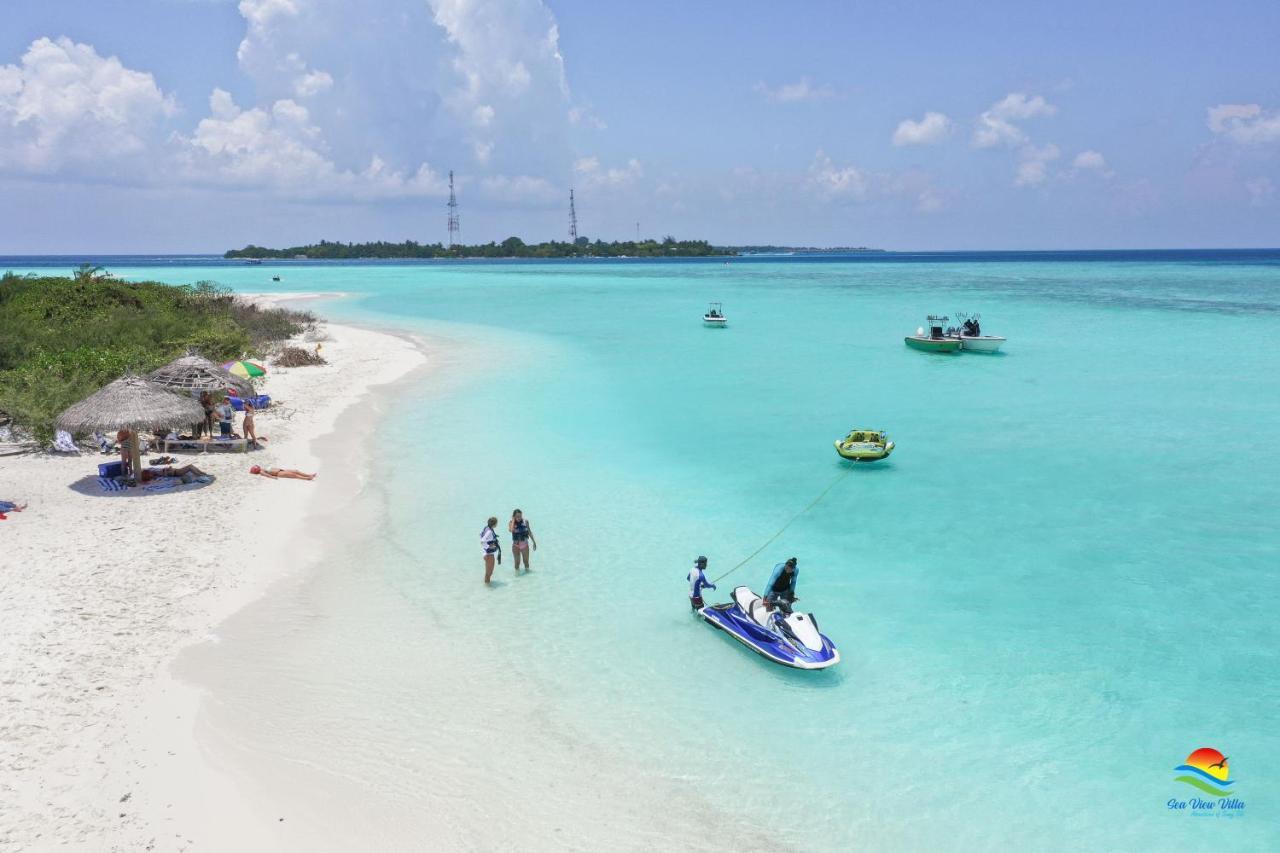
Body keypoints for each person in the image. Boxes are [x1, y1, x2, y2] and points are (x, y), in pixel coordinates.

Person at [481, 516, 502, 584]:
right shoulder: (489, 531)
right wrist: (489, 546)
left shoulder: (486, 528)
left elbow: (481, 535)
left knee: (488, 573)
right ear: (495, 524)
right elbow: (482, 541)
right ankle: (487, 585)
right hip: (489, 554)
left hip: (486, 553)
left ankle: (486, 586)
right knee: (489, 573)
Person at [139, 464, 209, 484]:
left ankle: (201, 473)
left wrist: (168, 469)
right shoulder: (158, 473)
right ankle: (200, 474)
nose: (151, 472)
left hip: (176, 471)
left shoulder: (156, 473)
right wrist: (169, 469)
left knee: (190, 466)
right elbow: (166, 474)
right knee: (190, 467)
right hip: (176, 472)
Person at [249, 465, 316, 480]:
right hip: (279, 473)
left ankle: (309, 475)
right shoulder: (261, 472)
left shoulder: (262, 469)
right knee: (294, 475)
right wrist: (273, 477)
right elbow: (266, 475)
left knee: (296, 471)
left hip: (281, 470)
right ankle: (307, 478)